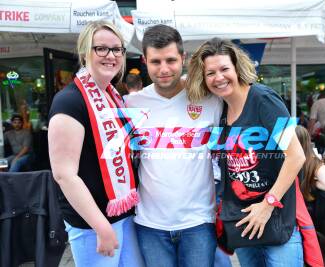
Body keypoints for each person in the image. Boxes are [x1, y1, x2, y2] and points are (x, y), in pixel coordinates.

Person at [186, 38, 306, 267]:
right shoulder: (220, 110)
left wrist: (268, 204)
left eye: (224, 69)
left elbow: (296, 155)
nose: (218, 78)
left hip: (275, 220)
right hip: (242, 224)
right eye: (210, 73)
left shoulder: (263, 99)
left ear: (237, 68)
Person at [48, 20, 144, 267]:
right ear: (84, 53)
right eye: (101, 48)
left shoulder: (113, 97)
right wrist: (101, 227)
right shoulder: (69, 101)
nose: (110, 55)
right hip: (93, 225)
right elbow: (64, 175)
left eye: (117, 49)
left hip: (122, 214)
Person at [125, 24, 222, 267]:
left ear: (183, 58)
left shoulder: (210, 98)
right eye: (156, 61)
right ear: (144, 60)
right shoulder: (131, 104)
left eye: (170, 60)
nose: (164, 69)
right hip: (150, 224)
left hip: (199, 222)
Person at [295, 125, 325, 201]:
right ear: (308, 141)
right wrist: (313, 182)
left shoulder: (281, 159)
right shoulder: (313, 162)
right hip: (304, 206)